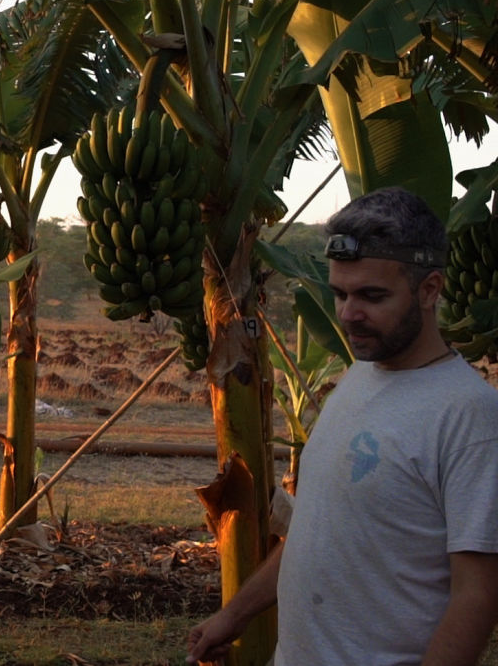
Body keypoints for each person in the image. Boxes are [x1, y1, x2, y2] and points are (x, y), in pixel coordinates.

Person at [186, 187, 498, 665]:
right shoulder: (358, 378)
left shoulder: (467, 416)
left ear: (430, 289)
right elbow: (317, 530)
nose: (349, 313)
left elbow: (478, 594)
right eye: (340, 293)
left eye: (372, 296)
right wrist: (235, 615)